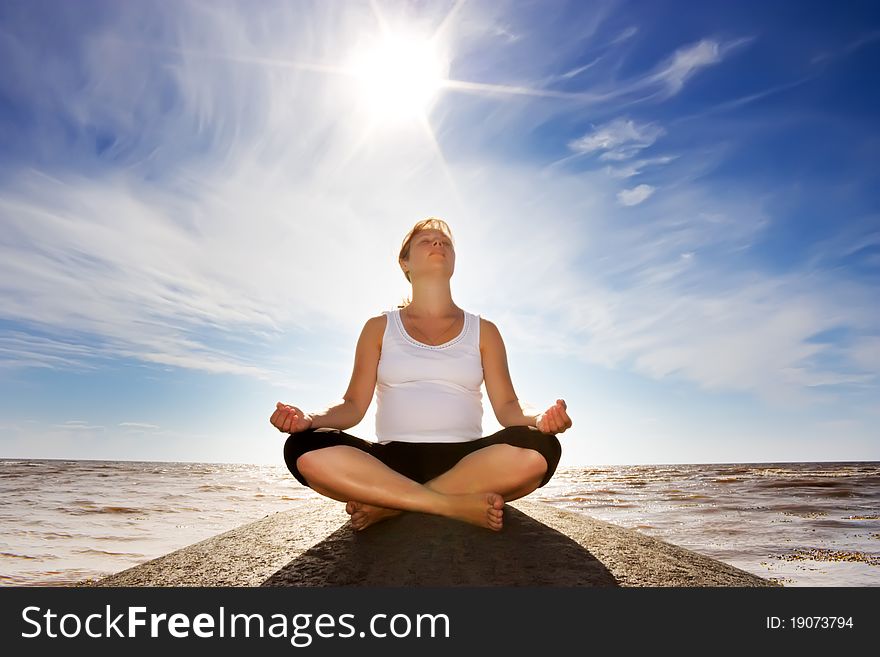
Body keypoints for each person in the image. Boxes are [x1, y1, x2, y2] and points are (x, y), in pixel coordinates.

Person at [270, 218, 572, 532]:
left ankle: (391, 504)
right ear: (405, 262)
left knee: (543, 448)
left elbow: (509, 407)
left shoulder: (485, 331)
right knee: (301, 448)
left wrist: (540, 418)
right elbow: (352, 406)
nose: (438, 244)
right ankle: (446, 504)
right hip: (390, 463)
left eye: (445, 242)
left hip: (469, 463)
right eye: (426, 240)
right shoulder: (379, 327)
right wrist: (309, 419)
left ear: (454, 260)